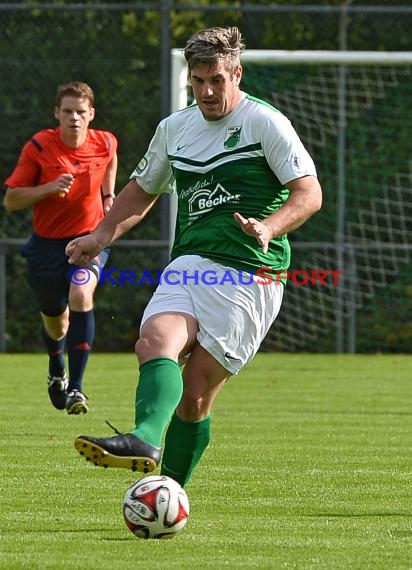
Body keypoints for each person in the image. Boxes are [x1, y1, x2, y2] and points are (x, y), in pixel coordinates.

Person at [66, 27, 322, 485]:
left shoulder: (265, 122)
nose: (206, 91)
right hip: (188, 264)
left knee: (195, 396)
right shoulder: (175, 128)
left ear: (236, 74)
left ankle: (168, 491)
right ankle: (145, 438)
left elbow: (308, 194)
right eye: (198, 81)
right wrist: (99, 236)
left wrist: (269, 226)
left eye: (216, 81)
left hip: (250, 272)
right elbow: (141, 190)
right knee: (152, 341)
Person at [4, 81, 118, 415]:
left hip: (87, 239)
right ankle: (57, 368)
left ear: (91, 115)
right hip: (46, 247)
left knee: (82, 295)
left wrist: (109, 198)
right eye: (67, 111)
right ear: (57, 113)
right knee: (56, 324)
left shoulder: (105, 141)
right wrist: (50, 188)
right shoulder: (40, 146)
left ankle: (77, 389)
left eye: (81, 112)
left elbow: (110, 160)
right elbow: (11, 200)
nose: (74, 118)